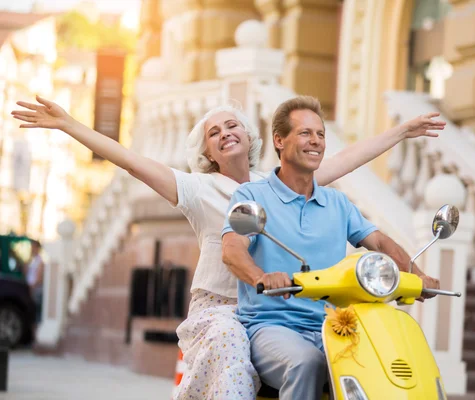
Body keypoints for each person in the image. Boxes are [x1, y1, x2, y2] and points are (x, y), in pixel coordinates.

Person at [12, 95, 444, 400]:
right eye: (213, 133)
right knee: (233, 354)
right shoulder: (198, 188)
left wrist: (402, 131)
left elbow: (345, 161)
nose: (224, 133)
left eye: (231, 125)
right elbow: (130, 160)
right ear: (208, 152)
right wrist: (70, 125)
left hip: (285, 304)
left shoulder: (275, 184)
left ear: (252, 135)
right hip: (222, 306)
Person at [222, 96, 440, 400]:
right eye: (305, 133)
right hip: (272, 328)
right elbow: (232, 249)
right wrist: (261, 276)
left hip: (335, 326)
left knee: (388, 363)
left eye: (320, 134)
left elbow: (379, 242)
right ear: (279, 141)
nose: (316, 142)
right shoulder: (253, 194)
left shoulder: (337, 202)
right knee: (306, 363)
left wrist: (417, 275)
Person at [25, 240, 44, 323]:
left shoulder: (40, 261)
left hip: (36, 289)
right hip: (31, 288)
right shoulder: (32, 260)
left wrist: (32, 287)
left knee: (36, 310)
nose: (32, 249)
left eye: (33, 247)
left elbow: (39, 278)